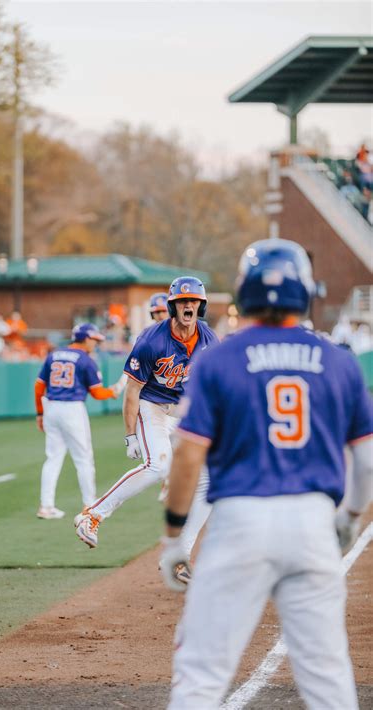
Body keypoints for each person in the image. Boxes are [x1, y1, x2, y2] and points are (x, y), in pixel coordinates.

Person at [159, 239, 373, 710]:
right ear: (305, 292)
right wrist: (350, 516)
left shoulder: (217, 359)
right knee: (327, 676)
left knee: (201, 673)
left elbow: (188, 455)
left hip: (240, 523)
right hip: (313, 524)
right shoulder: (339, 361)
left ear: (245, 291)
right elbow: (367, 460)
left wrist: (175, 536)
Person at [75, 276, 218, 575]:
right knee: (159, 467)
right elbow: (132, 391)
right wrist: (130, 435)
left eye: (193, 301)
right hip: (151, 407)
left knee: (209, 482)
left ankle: (180, 555)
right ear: (173, 306)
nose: (188, 305)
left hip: (183, 413)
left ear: (200, 306)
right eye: (182, 301)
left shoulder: (207, 339)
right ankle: (93, 515)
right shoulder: (153, 340)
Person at [35, 322, 125, 519]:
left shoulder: (54, 354)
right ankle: (89, 504)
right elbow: (97, 393)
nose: (96, 343)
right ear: (86, 338)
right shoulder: (86, 360)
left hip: (51, 407)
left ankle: (46, 506)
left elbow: (39, 386)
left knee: (53, 458)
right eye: (94, 339)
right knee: (84, 459)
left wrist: (40, 413)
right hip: (72, 409)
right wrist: (113, 392)